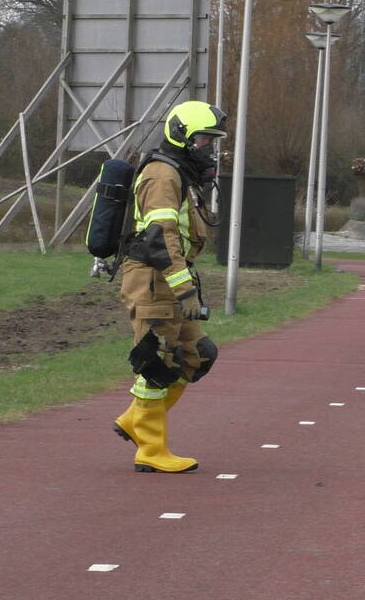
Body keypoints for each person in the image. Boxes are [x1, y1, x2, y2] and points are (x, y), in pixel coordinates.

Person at [111, 100, 226, 473]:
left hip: (169, 276)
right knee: (156, 362)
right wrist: (184, 288)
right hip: (153, 277)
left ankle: (133, 420)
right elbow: (162, 237)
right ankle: (150, 447)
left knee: (197, 355)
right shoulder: (163, 175)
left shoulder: (180, 173)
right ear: (183, 137)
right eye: (205, 139)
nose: (210, 148)